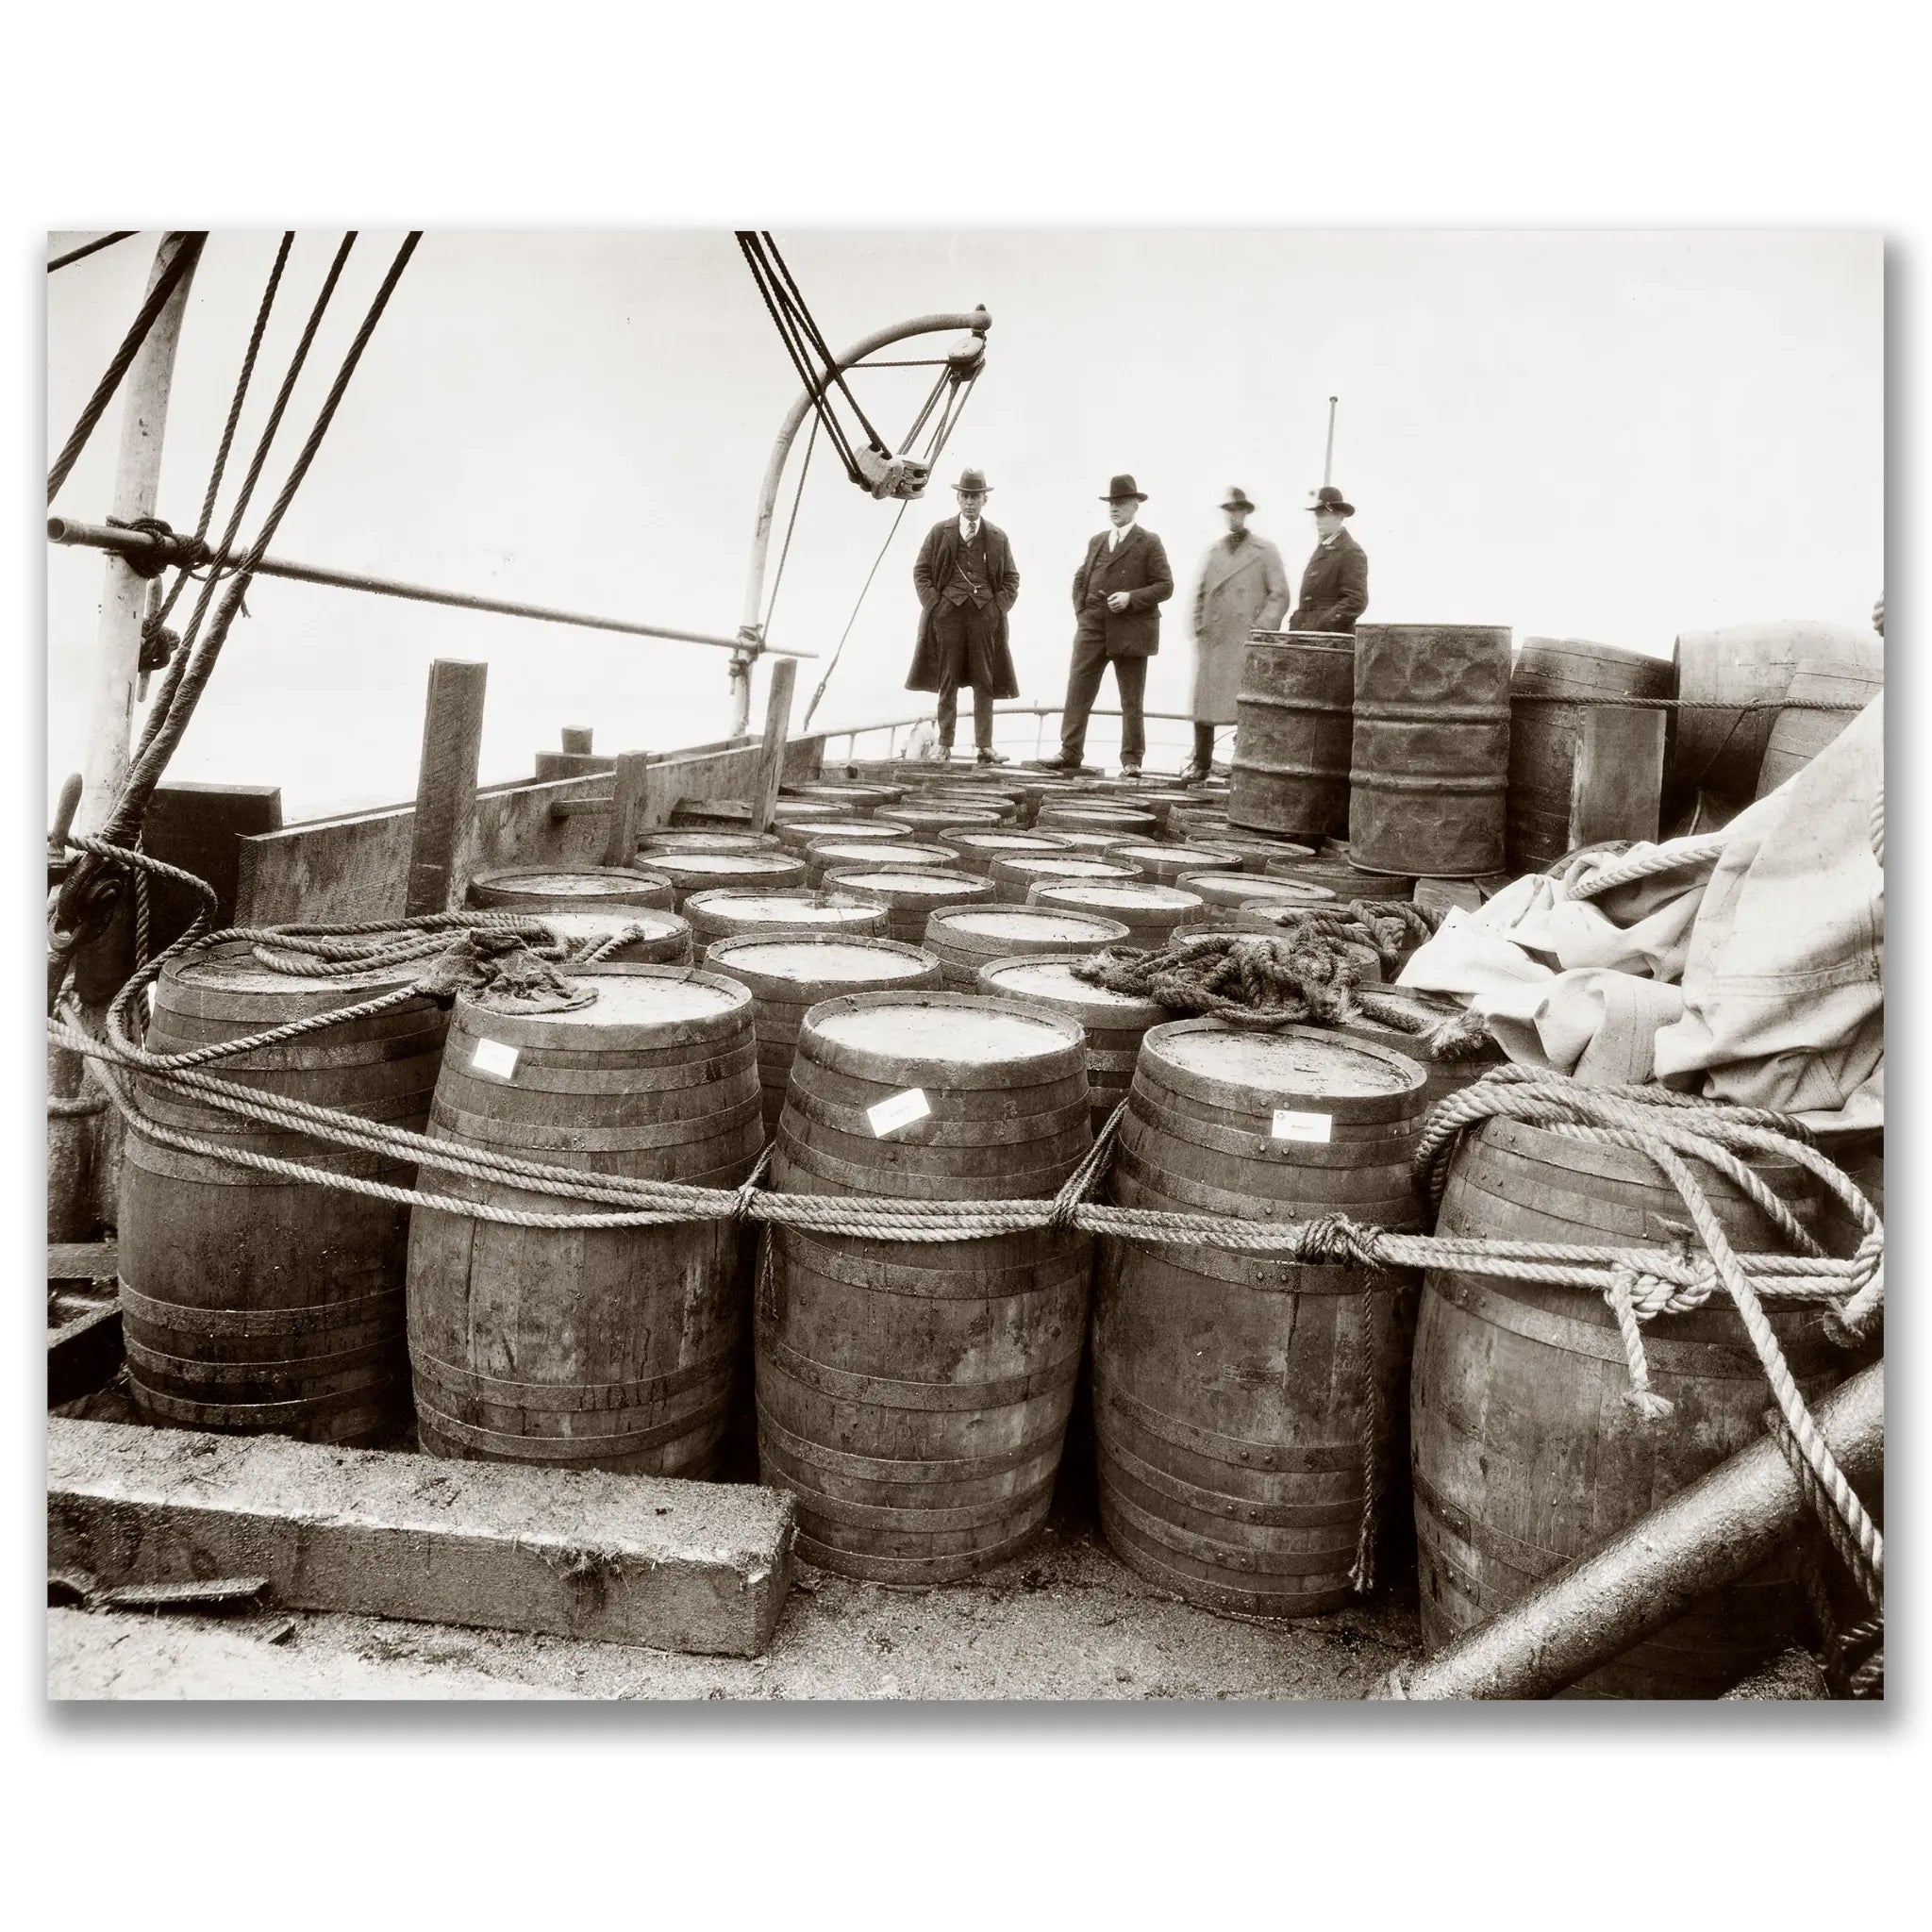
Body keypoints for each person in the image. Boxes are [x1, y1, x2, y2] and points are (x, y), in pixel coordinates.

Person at [1043, 474, 1174, 775]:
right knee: (1078, 690)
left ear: (1135, 506)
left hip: (1130, 631)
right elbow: (1080, 578)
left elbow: (1165, 586)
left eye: (1122, 502)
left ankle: (1131, 760)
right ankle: (1070, 751)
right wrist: (1082, 611)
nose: (1115, 508)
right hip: (1092, 627)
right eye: (1112, 502)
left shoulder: (1150, 542)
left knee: (1131, 698)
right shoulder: (1097, 541)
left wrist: (1131, 597)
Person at [906, 467, 1021, 765]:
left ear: (985, 500)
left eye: (976, 496)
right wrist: (936, 605)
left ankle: (985, 746)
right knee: (948, 679)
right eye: (966, 496)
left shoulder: (997, 537)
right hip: (948, 618)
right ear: (958, 498)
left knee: (985, 680)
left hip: (984, 619)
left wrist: (997, 609)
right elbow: (921, 572)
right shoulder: (939, 532)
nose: (970, 502)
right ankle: (944, 744)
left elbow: (1011, 578)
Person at [1180, 487, 1290, 783]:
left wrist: (1260, 630)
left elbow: (1279, 595)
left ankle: (1241, 768)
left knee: (1243, 706)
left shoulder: (1265, 551)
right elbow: (1202, 593)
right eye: (1229, 510)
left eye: (1238, 510)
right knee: (1204, 704)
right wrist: (1198, 627)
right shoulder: (1214, 551)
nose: (1234, 515)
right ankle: (1201, 764)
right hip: (1214, 639)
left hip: (1244, 640)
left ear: (1246, 513)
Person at [1289, 484, 1369, 634]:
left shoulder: (1350, 551)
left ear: (1340, 516)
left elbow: (1356, 601)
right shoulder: (1322, 549)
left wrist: (1322, 624)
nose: (1318, 521)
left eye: (1323, 515)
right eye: (1317, 515)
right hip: (1308, 636)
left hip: (1331, 640)